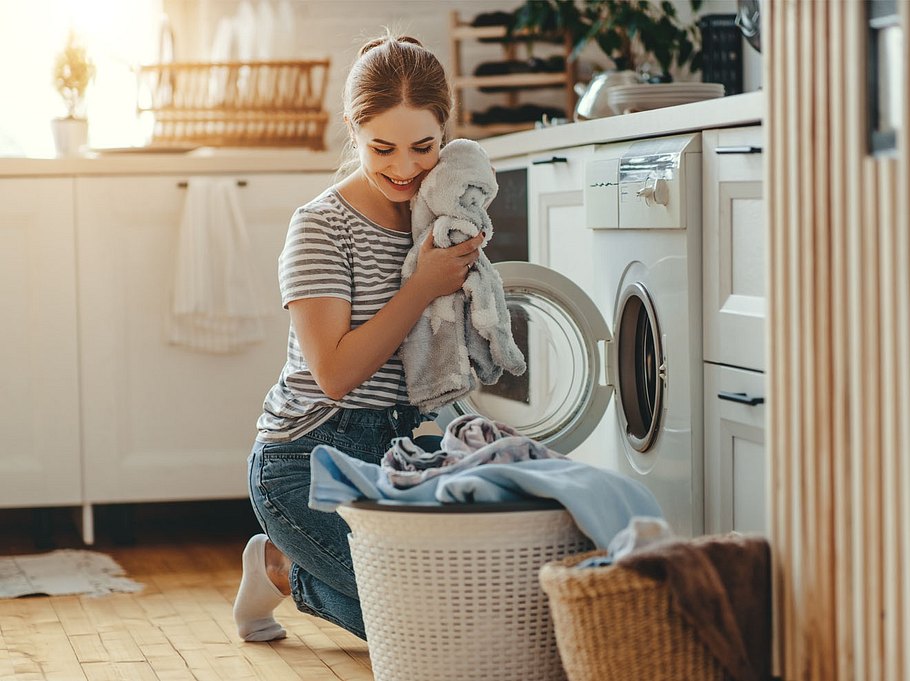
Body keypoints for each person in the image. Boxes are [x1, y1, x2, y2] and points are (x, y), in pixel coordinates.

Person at [232, 33, 485, 642]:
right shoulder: (321, 227)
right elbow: (336, 375)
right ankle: (281, 565)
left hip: (397, 452)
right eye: (382, 148)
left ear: (446, 135)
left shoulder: (443, 217)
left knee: (477, 605)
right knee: (428, 633)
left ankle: (303, 567)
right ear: (352, 130)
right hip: (305, 461)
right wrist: (421, 286)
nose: (404, 169)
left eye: (424, 148)